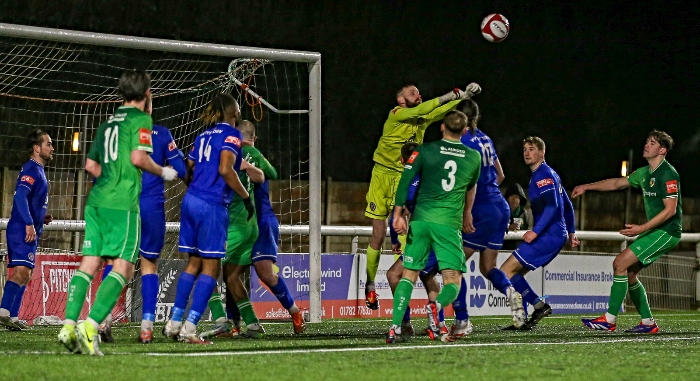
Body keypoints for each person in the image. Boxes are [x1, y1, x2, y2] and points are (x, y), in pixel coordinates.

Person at [57, 70, 179, 355]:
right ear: (146, 94)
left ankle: (67, 326)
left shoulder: (108, 123)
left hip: (96, 200)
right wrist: (163, 171)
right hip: (122, 204)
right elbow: (139, 158)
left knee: (89, 264)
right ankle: (90, 328)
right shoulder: (141, 120)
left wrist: (109, 181)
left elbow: (90, 165)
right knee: (124, 267)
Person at [364, 82, 481, 310]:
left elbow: (438, 112)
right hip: (381, 175)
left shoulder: (422, 119)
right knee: (377, 236)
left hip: (405, 174)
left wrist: (463, 97)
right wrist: (450, 94)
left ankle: (409, 305)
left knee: (410, 231)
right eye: (412, 92)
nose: (417, 94)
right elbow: (423, 109)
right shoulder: (397, 114)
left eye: (418, 92)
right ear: (401, 100)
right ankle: (370, 285)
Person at [162, 93, 257, 344]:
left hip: (191, 201)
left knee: (193, 264)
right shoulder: (232, 135)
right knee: (211, 268)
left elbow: (187, 166)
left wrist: (194, 188)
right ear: (234, 111)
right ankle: (190, 327)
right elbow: (225, 169)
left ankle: (173, 323)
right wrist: (246, 197)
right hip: (212, 205)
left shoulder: (203, 135)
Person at [202, 120, 306, 339]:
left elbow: (267, 173)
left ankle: (294, 312)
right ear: (254, 138)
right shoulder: (242, 155)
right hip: (250, 223)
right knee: (231, 275)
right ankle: (244, 324)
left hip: (259, 222)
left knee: (262, 273)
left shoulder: (242, 154)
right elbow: (272, 172)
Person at [386, 110, 481, 344]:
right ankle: (436, 306)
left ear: (441, 127)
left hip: (420, 222)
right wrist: (467, 213)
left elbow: (404, 182)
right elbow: (471, 188)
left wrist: (397, 215)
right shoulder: (474, 157)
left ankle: (395, 328)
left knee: (407, 276)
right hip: (447, 225)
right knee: (452, 280)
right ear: (465, 131)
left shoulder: (424, 150)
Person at [576, 130, 680, 334]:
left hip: (667, 231)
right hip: (655, 231)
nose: (647, 145)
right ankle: (648, 323)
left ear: (662, 150)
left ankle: (609, 320)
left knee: (619, 263)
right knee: (630, 273)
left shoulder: (668, 173)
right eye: (647, 141)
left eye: (652, 143)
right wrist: (587, 187)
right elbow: (616, 183)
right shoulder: (644, 173)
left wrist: (642, 228)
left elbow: (671, 210)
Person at [452, 99, 524, 337]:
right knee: (488, 267)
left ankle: (462, 321)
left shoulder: (461, 140)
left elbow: (467, 182)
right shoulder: (485, 138)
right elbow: (500, 175)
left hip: (480, 208)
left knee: (454, 265)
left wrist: (467, 209)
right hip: (499, 207)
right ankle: (511, 292)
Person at [500, 136, 579, 330]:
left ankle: (538, 306)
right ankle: (525, 317)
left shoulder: (543, 175)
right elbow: (567, 205)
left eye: (532, 149)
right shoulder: (548, 173)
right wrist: (571, 231)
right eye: (525, 149)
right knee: (514, 274)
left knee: (504, 272)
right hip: (553, 234)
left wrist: (534, 232)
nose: (527, 152)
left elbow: (553, 206)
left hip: (548, 235)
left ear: (542, 153)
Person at [384, 142, 446, 339]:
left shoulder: (408, 180)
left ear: (403, 161)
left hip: (423, 237)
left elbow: (397, 212)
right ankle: (439, 323)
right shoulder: (436, 175)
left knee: (395, 275)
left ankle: (404, 323)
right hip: (443, 234)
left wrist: (395, 239)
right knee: (429, 276)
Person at [0, 130, 53, 330]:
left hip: (29, 228)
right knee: (21, 272)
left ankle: (12, 318)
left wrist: (40, 217)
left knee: (26, 273)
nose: (52, 148)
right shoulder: (31, 169)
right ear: (36, 148)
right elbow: (20, 196)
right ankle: (4, 312)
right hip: (22, 229)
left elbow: (30, 200)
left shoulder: (38, 170)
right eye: (48, 144)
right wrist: (30, 223)